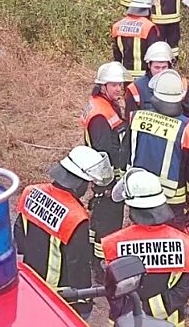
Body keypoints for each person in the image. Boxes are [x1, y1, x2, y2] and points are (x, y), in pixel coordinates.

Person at [14, 145, 114, 319]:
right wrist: (84, 301)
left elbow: (19, 234)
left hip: (29, 280)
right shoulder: (76, 217)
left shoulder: (31, 191)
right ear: (80, 183)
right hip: (57, 293)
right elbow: (78, 265)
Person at [103, 168, 189, 326]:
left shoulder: (114, 243)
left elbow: (111, 289)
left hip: (124, 320)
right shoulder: (186, 244)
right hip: (169, 321)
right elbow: (183, 289)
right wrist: (152, 310)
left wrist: (133, 311)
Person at [128, 69, 189, 229]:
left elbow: (125, 154)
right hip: (173, 201)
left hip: (140, 195)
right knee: (171, 247)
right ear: (181, 96)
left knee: (141, 242)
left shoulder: (136, 118)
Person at [81, 61, 129, 265]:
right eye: (113, 85)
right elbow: (105, 149)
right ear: (103, 86)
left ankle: (92, 253)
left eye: (120, 85)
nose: (118, 89)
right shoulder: (101, 114)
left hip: (103, 174)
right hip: (107, 176)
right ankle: (102, 263)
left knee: (99, 217)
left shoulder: (101, 103)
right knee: (108, 222)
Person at [111, 0, 161, 81]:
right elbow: (154, 54)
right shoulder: (148, 27)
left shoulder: (117, 26)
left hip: (125, 75)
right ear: (148, 9)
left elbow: (117, 54)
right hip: (144, 76)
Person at [125, 40, 174, 119]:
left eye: (164, 67)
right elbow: (129, 119)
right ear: (149, 65)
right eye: (157, 67)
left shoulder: (178, 85)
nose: (160, 72)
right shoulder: (135, 88)